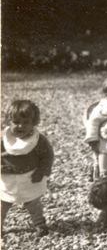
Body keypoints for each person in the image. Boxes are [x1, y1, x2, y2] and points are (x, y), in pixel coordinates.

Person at [1, 100, 54, 236]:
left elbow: (47, 156)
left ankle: (40, 224)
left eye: (26, 122)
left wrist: (42, 171)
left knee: (33, 203)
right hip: (7, 179)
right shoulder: (3, 139)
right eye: (16, 122)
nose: (20, 126)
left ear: (34, 123)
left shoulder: (38, 140)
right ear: (8, 121)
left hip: (29, 177)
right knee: (2, 204)